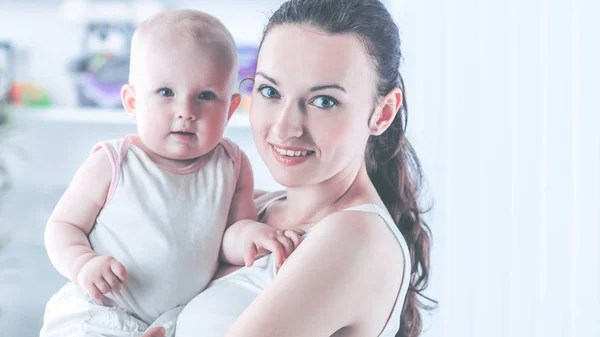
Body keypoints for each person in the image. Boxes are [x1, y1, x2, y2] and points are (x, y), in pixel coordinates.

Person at [142, 0, 436, 336]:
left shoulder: (357, 239)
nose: (285, 127)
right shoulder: (253, 209)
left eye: (324, 101)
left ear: (382, 113)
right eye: (270, 91)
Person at [40, 9, 304, 337]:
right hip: (100, 309)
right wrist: (82, 263)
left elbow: (229, 237)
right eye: (166, 93)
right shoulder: (114, 162)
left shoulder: (232, 165)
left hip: (171, 321)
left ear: (230, 108)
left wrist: (253, 236)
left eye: (206, 96)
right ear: (133, 101)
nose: (186, 112)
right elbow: (63, 226)